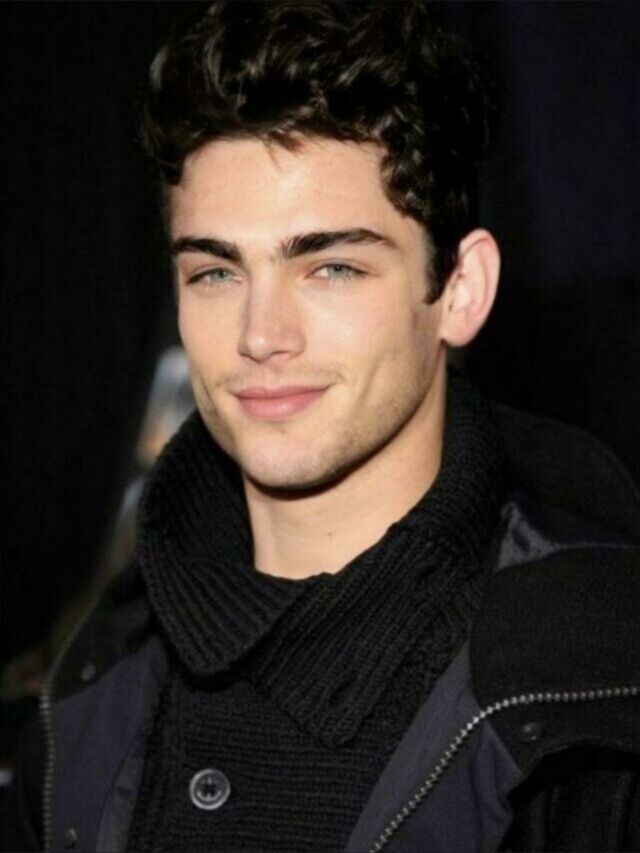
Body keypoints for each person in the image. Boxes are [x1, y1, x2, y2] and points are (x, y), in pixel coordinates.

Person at [5, 2, 640, 851]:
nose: (261, 334)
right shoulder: (86, 699)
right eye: (216, 272)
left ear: (460, 290)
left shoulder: (598, 709)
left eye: (332, 267)